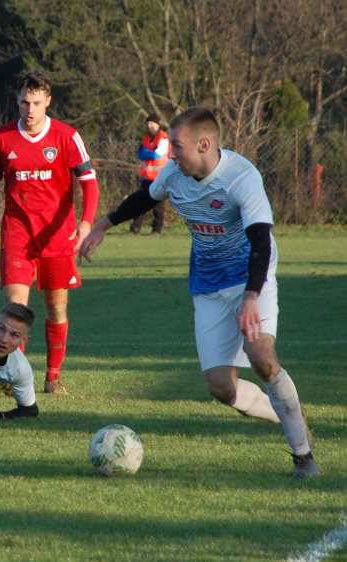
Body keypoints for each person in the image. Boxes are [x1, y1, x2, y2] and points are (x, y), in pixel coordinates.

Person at [79, 106, 320, 479]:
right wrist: (102, 226)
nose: (171, 153)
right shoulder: (175, 174)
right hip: (207, 285)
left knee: (261, 356)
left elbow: (261, 241)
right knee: (222, 388)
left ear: (204, 144)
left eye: (177, 146)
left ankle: (303, 457)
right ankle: (290, 419)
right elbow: (146, 196)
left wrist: (252, 295)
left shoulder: (242, 178)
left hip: (250, 279)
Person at [0, 72, 99, 396]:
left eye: (35, 103)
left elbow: (89, 183)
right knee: (16, 309)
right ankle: (15, 377)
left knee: (57, 308)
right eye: (24, 102)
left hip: (58, 238)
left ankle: (53, 376)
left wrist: (85, 224)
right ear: (17, 101)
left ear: (48, 102)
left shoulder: (66, 136)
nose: (29, 109)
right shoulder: (2, 139)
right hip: (17, 236)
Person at [130, 113, 169, 234]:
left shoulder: (163, 138)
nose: (149, 126)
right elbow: (139, 154)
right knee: (140, 202)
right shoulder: (146, 138)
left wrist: (147, 153)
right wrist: (148, 153)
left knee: (158, 205)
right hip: (146, 177)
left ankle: (157, 229)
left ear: (158, 124)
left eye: (152, 123)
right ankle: (135, 228)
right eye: (148, 123)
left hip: (160, 177)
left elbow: (157, 155)